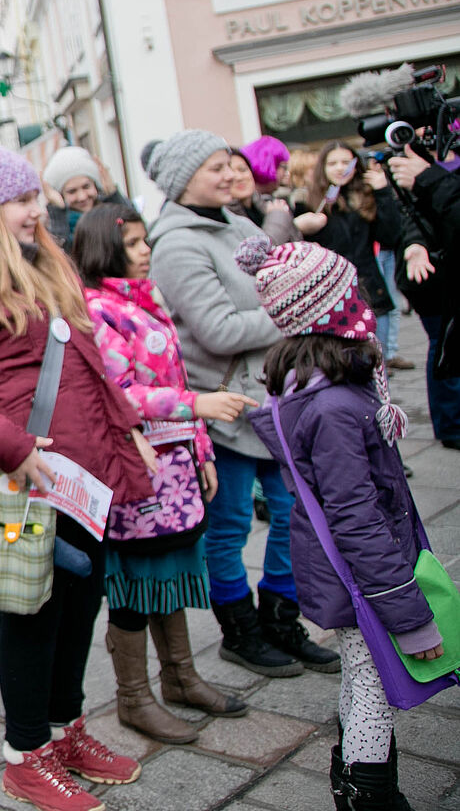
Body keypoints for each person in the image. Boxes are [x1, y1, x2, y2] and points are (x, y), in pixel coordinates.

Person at [0, 140, 155, 811]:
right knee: (32, 614)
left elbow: (92, 358)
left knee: (80, 607)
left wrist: (130, 430)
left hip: (84, 475)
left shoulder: (47, 264)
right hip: (23, 480)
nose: (36, 208)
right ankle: (23, 755)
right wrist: (10, 444)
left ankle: (63, 731)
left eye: (33, 196)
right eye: (20, 200)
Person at [245, 238, 443, 811]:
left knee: (364, 681)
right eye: (352, 294)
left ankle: (361, 785)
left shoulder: (329, 389)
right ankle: (368, 797)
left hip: (354, 574)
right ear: (330, 313)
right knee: (374, 690)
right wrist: (411, 618)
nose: (363, 302)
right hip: (361, 580)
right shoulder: (333, 407)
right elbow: (355, 519)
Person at [143, 131, 340, 677]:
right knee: (228, 524)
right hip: (228, 407)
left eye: (231, 164)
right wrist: (300, 310)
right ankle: (240, 629)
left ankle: (282, 617)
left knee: (297, 511)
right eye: (215, 168)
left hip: (275, 394)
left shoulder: (238, 223)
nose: (232, 174)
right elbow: (219, 330)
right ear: (183, 180)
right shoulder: (177, 243)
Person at [71, 206, 251, 744]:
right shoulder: (96, 309)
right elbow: (119, 395)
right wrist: (197, 406)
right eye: (134, 242)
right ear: (107, 247)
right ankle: (134, 697)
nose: (146, 249)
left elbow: (171, 372)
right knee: (135, 585)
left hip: (174, 471)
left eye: (145, 240)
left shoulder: (142, 297)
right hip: (134, 473)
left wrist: (202, 452)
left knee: (171, 576)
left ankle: (180, 677)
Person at [294, 142, 410, 369]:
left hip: (371, 294)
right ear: (322, 167)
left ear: (356, 165)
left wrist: (383, 192)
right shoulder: (308, 202)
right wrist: (299, 227)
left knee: (377, 367)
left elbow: (390, 237)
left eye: (346, 162)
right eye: (333, 163)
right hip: (330, 299)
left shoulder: (365, 198)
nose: (340, 168)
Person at [388, 144, 460, 449]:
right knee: (442, 347)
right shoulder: (414, 166)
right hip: (431, 278)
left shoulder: (434, 172)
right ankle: (450, 424)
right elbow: (411, 216)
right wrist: (415, 245)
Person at [41, 145, 129, 250]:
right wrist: (57, 212)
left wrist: (114, 196)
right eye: (72, 191)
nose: (82, 197)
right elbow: (62, 256)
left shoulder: (111, 210)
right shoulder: (51, 227)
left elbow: (132, 230)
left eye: (86, 186)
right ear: (60, 194)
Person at [227, 141, 299, 245]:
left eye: (243, 170)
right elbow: (258, 252)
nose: (239, 177)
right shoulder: (224, 218)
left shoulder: (268, 204)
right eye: (230, 172)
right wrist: (278, 218)